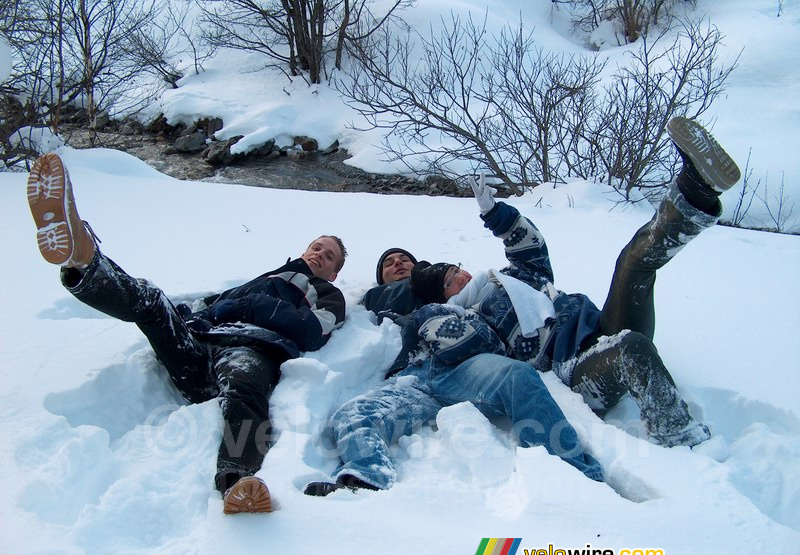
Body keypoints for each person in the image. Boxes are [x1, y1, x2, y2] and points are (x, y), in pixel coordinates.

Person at [26, 153, 347, 514]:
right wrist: (191, 316)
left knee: (244, 382)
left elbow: (313, 332)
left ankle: (237, 480)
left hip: (249, 349)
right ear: (304, 250)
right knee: (151, 301)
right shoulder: (266, 277)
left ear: (334, 272)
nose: (320, 255)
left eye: (330, 255)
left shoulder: (329, 294)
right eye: (316, 247)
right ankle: (84, 261)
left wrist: (252, 306)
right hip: (198, 347)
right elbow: (213, 307)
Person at [402, 116, 741, 449]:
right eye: (449, 281)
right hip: (576, 370)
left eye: (456, 269)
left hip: (599, 325)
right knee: (631, 347)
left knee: (632, 264)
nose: (460, 276)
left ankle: (696, 189)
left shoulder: (511, 278)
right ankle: (681, 439)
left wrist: (495, 214)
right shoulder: (465, 318)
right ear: (443, 298)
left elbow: (531, 247)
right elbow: (475, 348)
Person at [304, 265, 604, 497]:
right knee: (353, 414)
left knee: (517, 376)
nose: (462, 279)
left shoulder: (482, 305)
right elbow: (449, 339)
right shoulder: (432, 309)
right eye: (450, 279)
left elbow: (475, 347)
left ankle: (573, 477)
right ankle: (366, 479)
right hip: (419, 378)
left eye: (460, 274)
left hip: (466, 373)